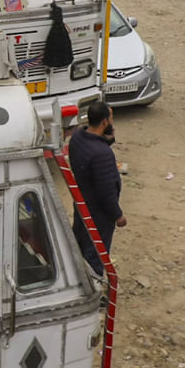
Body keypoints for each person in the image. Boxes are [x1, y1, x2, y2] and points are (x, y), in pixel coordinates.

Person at [69, 101, 125, 276]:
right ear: (104, 122)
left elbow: (93, 148)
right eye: (111, 118)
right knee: (96, 255)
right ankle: (92, 290)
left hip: (81, 205)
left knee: (79, 246)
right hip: (98, 215)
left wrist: (108, 139)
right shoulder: (102, 154)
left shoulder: (78, 137)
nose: (112, 122)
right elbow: (106, 191)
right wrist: (118, 215)